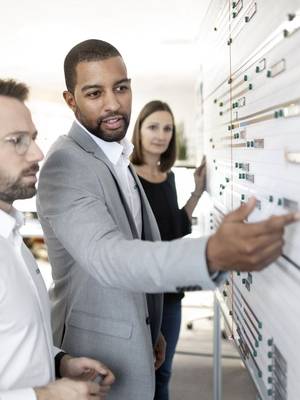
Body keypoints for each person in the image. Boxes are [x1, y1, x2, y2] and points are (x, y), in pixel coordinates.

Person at [36, 39, 298, 400]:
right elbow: (110, 257)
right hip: (93, 358)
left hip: (137, 335)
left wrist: (151, 325)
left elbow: (142, 240)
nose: (113, 104)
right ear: (71, 100)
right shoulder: (65, 165)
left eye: (121, 88)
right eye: (95, 93)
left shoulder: (117, 154)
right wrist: (211, 254)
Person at [0, 78, 115, 400]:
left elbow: (11, 339)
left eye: (33, 139)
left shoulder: (9, 235)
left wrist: (59, 362)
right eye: (17, 141)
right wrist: (45, 396)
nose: (37, 153)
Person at [131, 100, 205, 399]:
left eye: (167, 129)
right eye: (153, 127)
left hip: (170, 294)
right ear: (139, 131)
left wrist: (198, 191)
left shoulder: (168, 176)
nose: (161, 135)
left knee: (163, 375)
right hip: (139, 292)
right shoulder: (127, 176)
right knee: (138, 376)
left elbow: (175, 227)